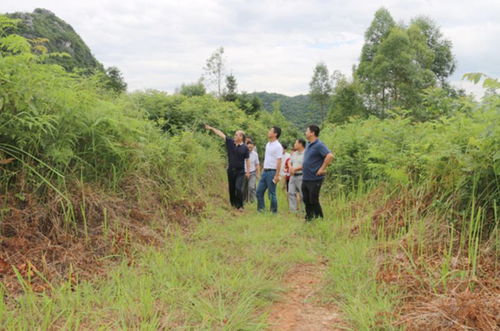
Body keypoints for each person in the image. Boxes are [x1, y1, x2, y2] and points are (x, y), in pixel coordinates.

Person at [205, 124, 250, 210]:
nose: (235, 136)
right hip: (231, 170)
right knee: (232, 188)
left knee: (238, 188)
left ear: (241, 137)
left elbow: (247, 160)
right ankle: (233, 204)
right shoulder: (230, 142)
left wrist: (248, 172)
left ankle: (240, 206)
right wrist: (211, 128)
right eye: (235, 134)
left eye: (237, 135)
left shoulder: (245, 148)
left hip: (240, 171)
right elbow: (220, 134)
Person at [302, 125, 334, 220]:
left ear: (312, 133)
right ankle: (309, 218)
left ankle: (319, 218)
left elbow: (330, 156)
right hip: (306, 178)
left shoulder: (319, 144)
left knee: (313, 199)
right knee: (306, 199)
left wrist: (321, 169)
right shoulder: (308, 144)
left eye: (307, 131)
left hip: (315, 178)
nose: (305, 132)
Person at [256, 126, 283, 213]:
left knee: (271, 194)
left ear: (275, 134)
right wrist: (263, 169)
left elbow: (279, 161)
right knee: (259, 192)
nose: (268, 132)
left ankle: (273, 212)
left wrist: (277, 175)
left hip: (272, 172)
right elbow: (267, 158)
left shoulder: (278, 146)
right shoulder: (268, 144)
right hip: (265, 171)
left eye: (270, 131)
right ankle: (261, 210)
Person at [288, 139, 306, 213]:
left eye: (296, 143)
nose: (294, 144)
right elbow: (289, 161)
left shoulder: (306, 154)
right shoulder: (294, 153)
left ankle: (304, 210)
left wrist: (295, 169)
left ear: (300, 144)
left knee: (302, 194)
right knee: (291, 192)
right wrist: (290, 168)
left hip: (301, 176)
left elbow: (305, 165)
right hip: (293, 176)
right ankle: (293, 211)